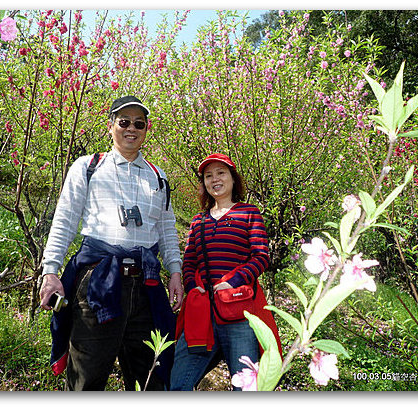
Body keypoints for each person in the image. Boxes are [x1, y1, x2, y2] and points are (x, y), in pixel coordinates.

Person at [39, 95, 183, 391]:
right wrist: (50, 270)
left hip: (146, 285)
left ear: (146, 129)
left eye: (139, 124)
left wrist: (176, 272)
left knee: (149, 380)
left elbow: (167, 229)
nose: (131, 128)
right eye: (124, 122)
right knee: (87, 379)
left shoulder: (159, 177)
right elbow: (65, 219)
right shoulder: (88, 166)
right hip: (98, 283)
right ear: (111, 126)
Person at [170, 153, 282, 391]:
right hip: (201, 314)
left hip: (239, 313)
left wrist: (233, 281)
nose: (215, 179)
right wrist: (192, 286)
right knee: (179, 385)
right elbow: (189, 262)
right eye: (208, 176)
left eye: (221, 173)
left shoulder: (249, 213)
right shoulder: (198, 221)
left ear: (233, 178)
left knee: (246, 389)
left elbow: (261, 256)